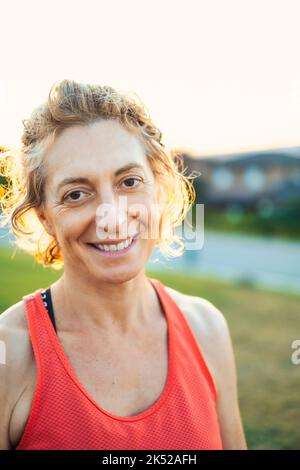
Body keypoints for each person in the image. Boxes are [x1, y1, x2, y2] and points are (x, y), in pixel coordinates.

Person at [0, 79, 247, 450]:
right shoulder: (11, 354)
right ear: (45, 217)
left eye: (129, 181)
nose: (112, 218)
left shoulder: (206, 328)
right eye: (76, 194)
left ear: (158, 190)